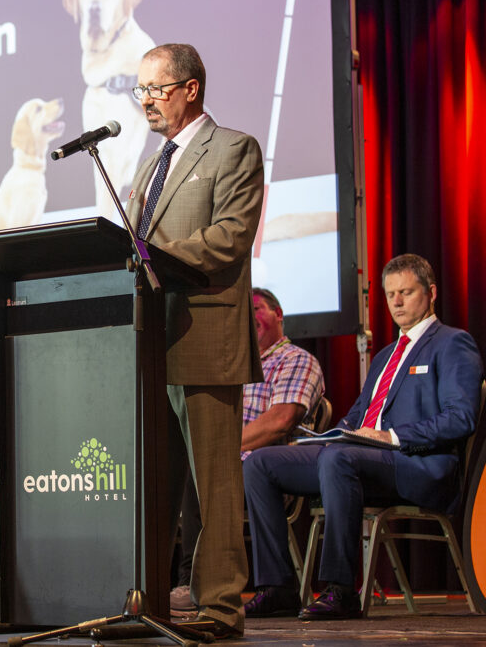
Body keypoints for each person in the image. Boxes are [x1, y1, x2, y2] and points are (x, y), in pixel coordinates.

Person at [244, 254, 482, 620]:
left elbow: (460, 418)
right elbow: (357, 418)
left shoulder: (452, 343)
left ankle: (340, 590)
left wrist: (391, 437)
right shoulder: (386, 355)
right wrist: (326, 438)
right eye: (390, 295)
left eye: (406, 292)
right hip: (360, 458)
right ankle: (277, 588)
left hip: (417, 465)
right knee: (261, 463)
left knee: (339, 459)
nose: (397, 302)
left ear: (431, 293)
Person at [126, 43, 265, 636]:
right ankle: (151, 603)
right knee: (156, 489)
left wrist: (152, 256)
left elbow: (231, 237)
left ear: (191, 88)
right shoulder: (147, 165)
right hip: (150, 342)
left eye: (156, 89)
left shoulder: (233, 148)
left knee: (215, 488)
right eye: (141, 91)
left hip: (205, 336)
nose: (147, 102)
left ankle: (221, 609)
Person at [172, 287, 325, 612]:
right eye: (245, 311)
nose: (250, 317)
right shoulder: (233, 364)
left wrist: (216, 451)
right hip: (228, 468)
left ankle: (190, 582)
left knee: (197, 474)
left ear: (278, 314)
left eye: (257, 308)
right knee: (173, 468)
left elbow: (280, 421)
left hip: (268, 472)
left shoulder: (296, 359)